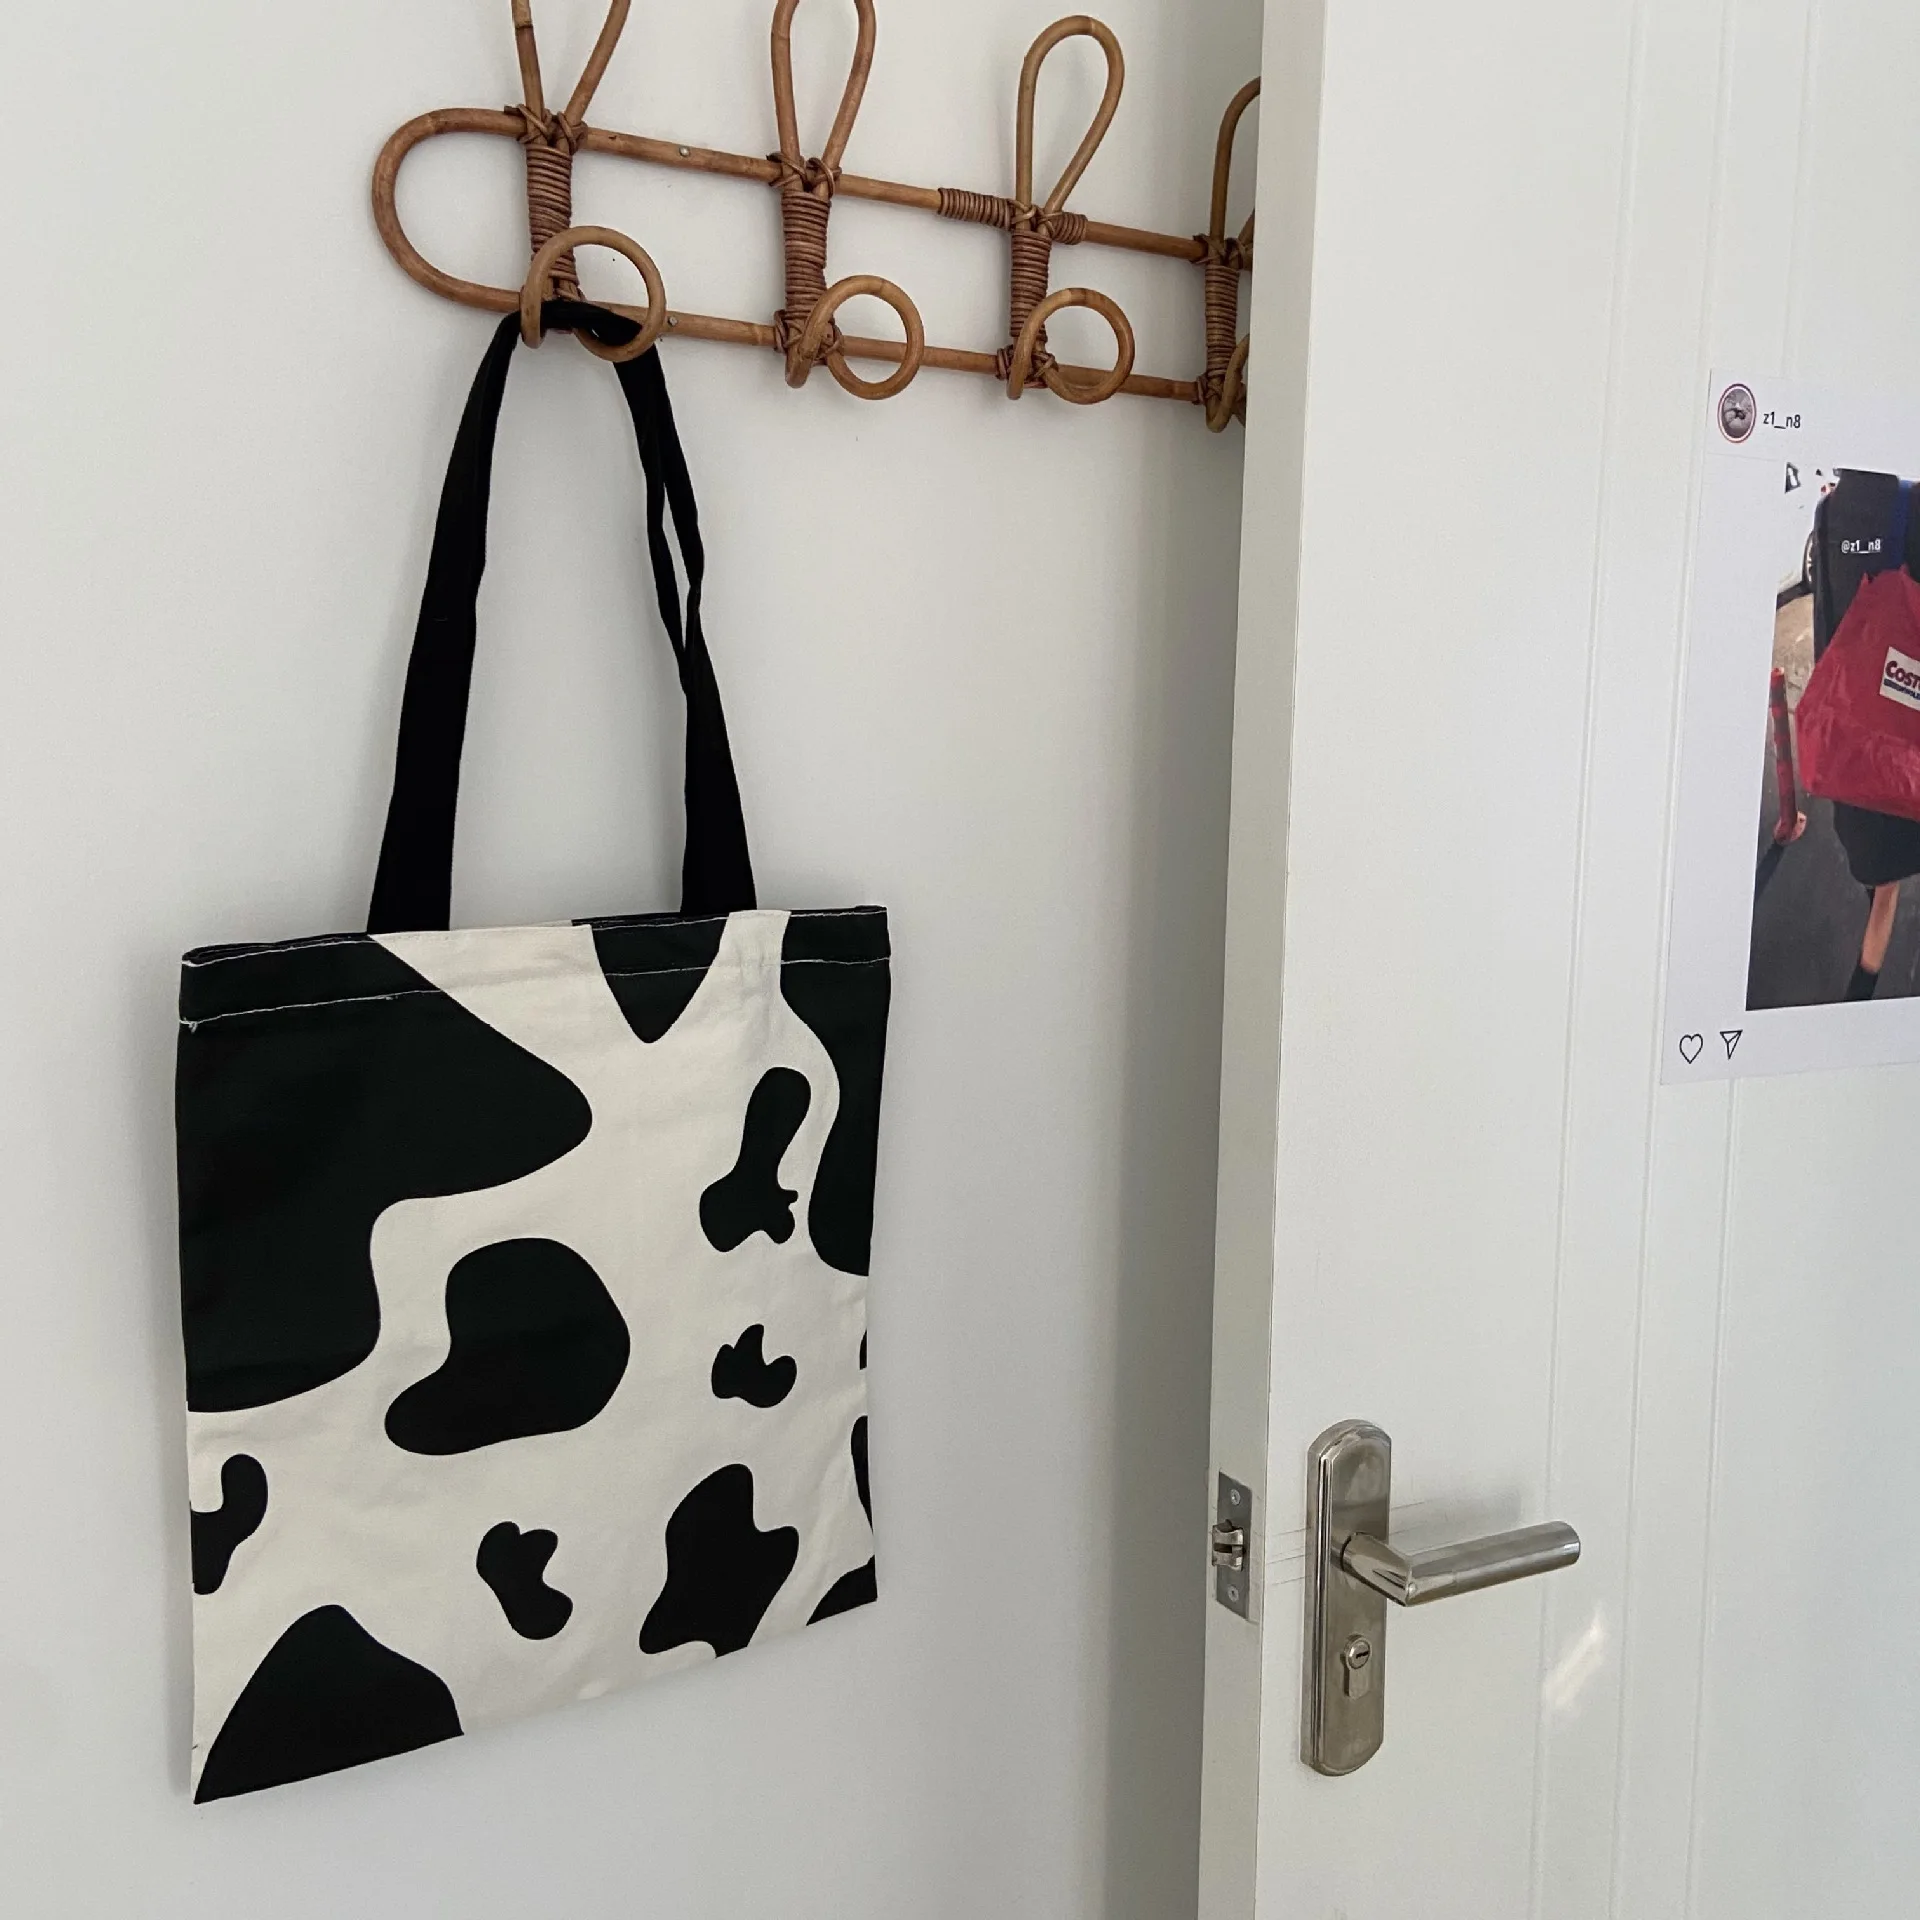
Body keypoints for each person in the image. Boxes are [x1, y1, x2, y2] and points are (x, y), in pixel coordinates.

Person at [1810, 471, 1920, 998]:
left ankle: (1860, 990)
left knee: (1878, 874)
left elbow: (1828, 633)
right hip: (1905, 747)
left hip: (1852, 744)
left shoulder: (1831, 510)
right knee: (1890, 867)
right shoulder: (1911, 505)